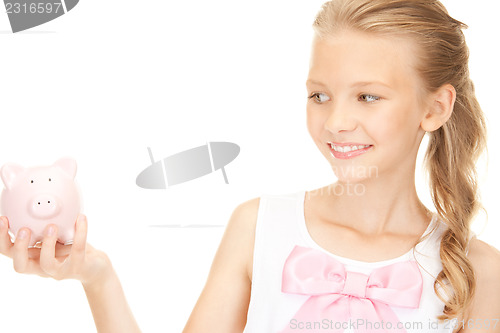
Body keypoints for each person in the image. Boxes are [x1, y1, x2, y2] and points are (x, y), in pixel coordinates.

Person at [1, 0, 499, 332]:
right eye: (319, 95)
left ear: (435, 108)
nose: (337, 121)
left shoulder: (480, 273)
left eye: (368, 97)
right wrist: (97, 275)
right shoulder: (258, 227)